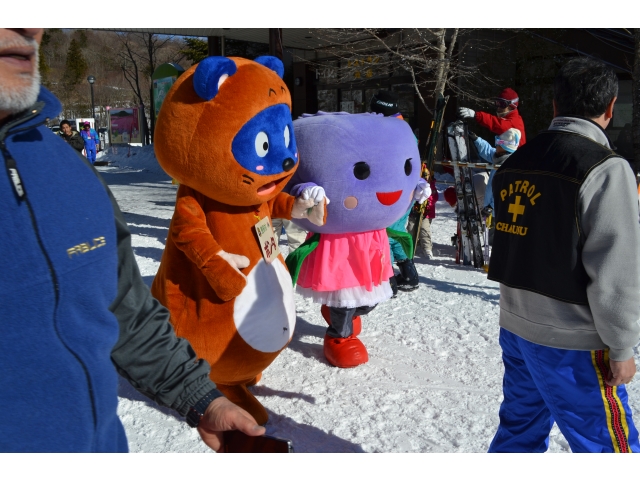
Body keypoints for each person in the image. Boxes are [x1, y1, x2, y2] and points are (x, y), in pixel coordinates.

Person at [0, 28, 264, 453]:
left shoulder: (63, 164)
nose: (29, 22)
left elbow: (122, 307)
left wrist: (198, 396)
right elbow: (189, 232)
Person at [487, 57, 640, 453]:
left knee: (519, 430)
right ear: (610, 108)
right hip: (573, 340)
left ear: (555, 106)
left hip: (516, 326)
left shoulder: (515, 162)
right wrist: (622, 347)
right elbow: (616, 269)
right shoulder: (605, 168)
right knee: (608, 447)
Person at [370, 90, 427, 291]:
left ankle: (390, 281)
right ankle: (408, 275)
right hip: (406, 188)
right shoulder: (401, 126)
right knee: (396, 231)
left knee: (388, 232)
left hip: (395, 190)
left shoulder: (391, 130)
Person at [470, 128, 521, 213]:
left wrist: (492, 206)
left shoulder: (510, 165)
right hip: (490, 207)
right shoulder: (498, 157)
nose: (496, 145)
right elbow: (488, 150)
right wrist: (476, 140)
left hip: (500, 209)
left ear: (507, 147)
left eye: (499, 143)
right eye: (497, 142)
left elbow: (505, 189)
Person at [458, 87, 527, 146]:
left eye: (502, 104)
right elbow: (495, 153)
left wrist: (477, 115)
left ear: (511, 106)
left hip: (516, 159)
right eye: (498, 103)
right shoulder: (505, 138)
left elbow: (498, 124)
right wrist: (477, 140)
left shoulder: (514, 122)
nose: (499, 107)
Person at [407, 165, 439, 259]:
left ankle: (427, 249)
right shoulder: (415, 185)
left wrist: (427, 203)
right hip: (414, 212)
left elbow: (434, 198)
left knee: (424, 231)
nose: (425, 177)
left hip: (426, 214)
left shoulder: (431, 186)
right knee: (411, 229)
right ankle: (411, 247)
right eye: (423, 174)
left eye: (427, 175)